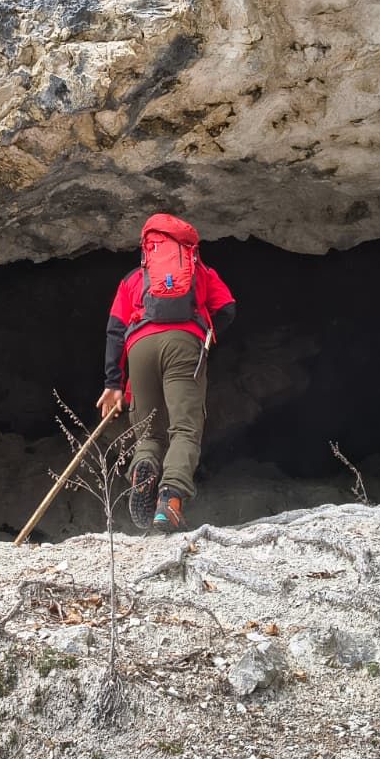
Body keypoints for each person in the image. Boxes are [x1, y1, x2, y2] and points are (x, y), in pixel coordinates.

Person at [97, 214, 235, 531]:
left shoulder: (133, 279)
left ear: (147, 248)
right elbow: (227, 308)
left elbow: (115, 330)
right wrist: (207, 335)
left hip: (139, 347)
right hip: (183, 343)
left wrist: (113, 383)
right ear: (188, 247)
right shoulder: (200, 272)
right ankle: (169, 502)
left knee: (149, 431)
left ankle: (143, 466)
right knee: (185, 429)